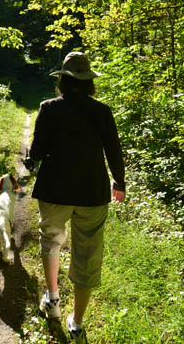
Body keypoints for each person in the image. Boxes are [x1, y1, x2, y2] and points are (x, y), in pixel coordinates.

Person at [27, 51, 125, 343]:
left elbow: (38, 151)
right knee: (87, 255)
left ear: (63, 81)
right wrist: (119, 182)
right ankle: (77, 323)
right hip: (92, 194)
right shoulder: (102, 111)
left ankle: (53, 302)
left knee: (51, 242)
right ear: (88, 82)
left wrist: (33, 158)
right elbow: (113, 150)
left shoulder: (48, 108)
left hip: (54, 190)